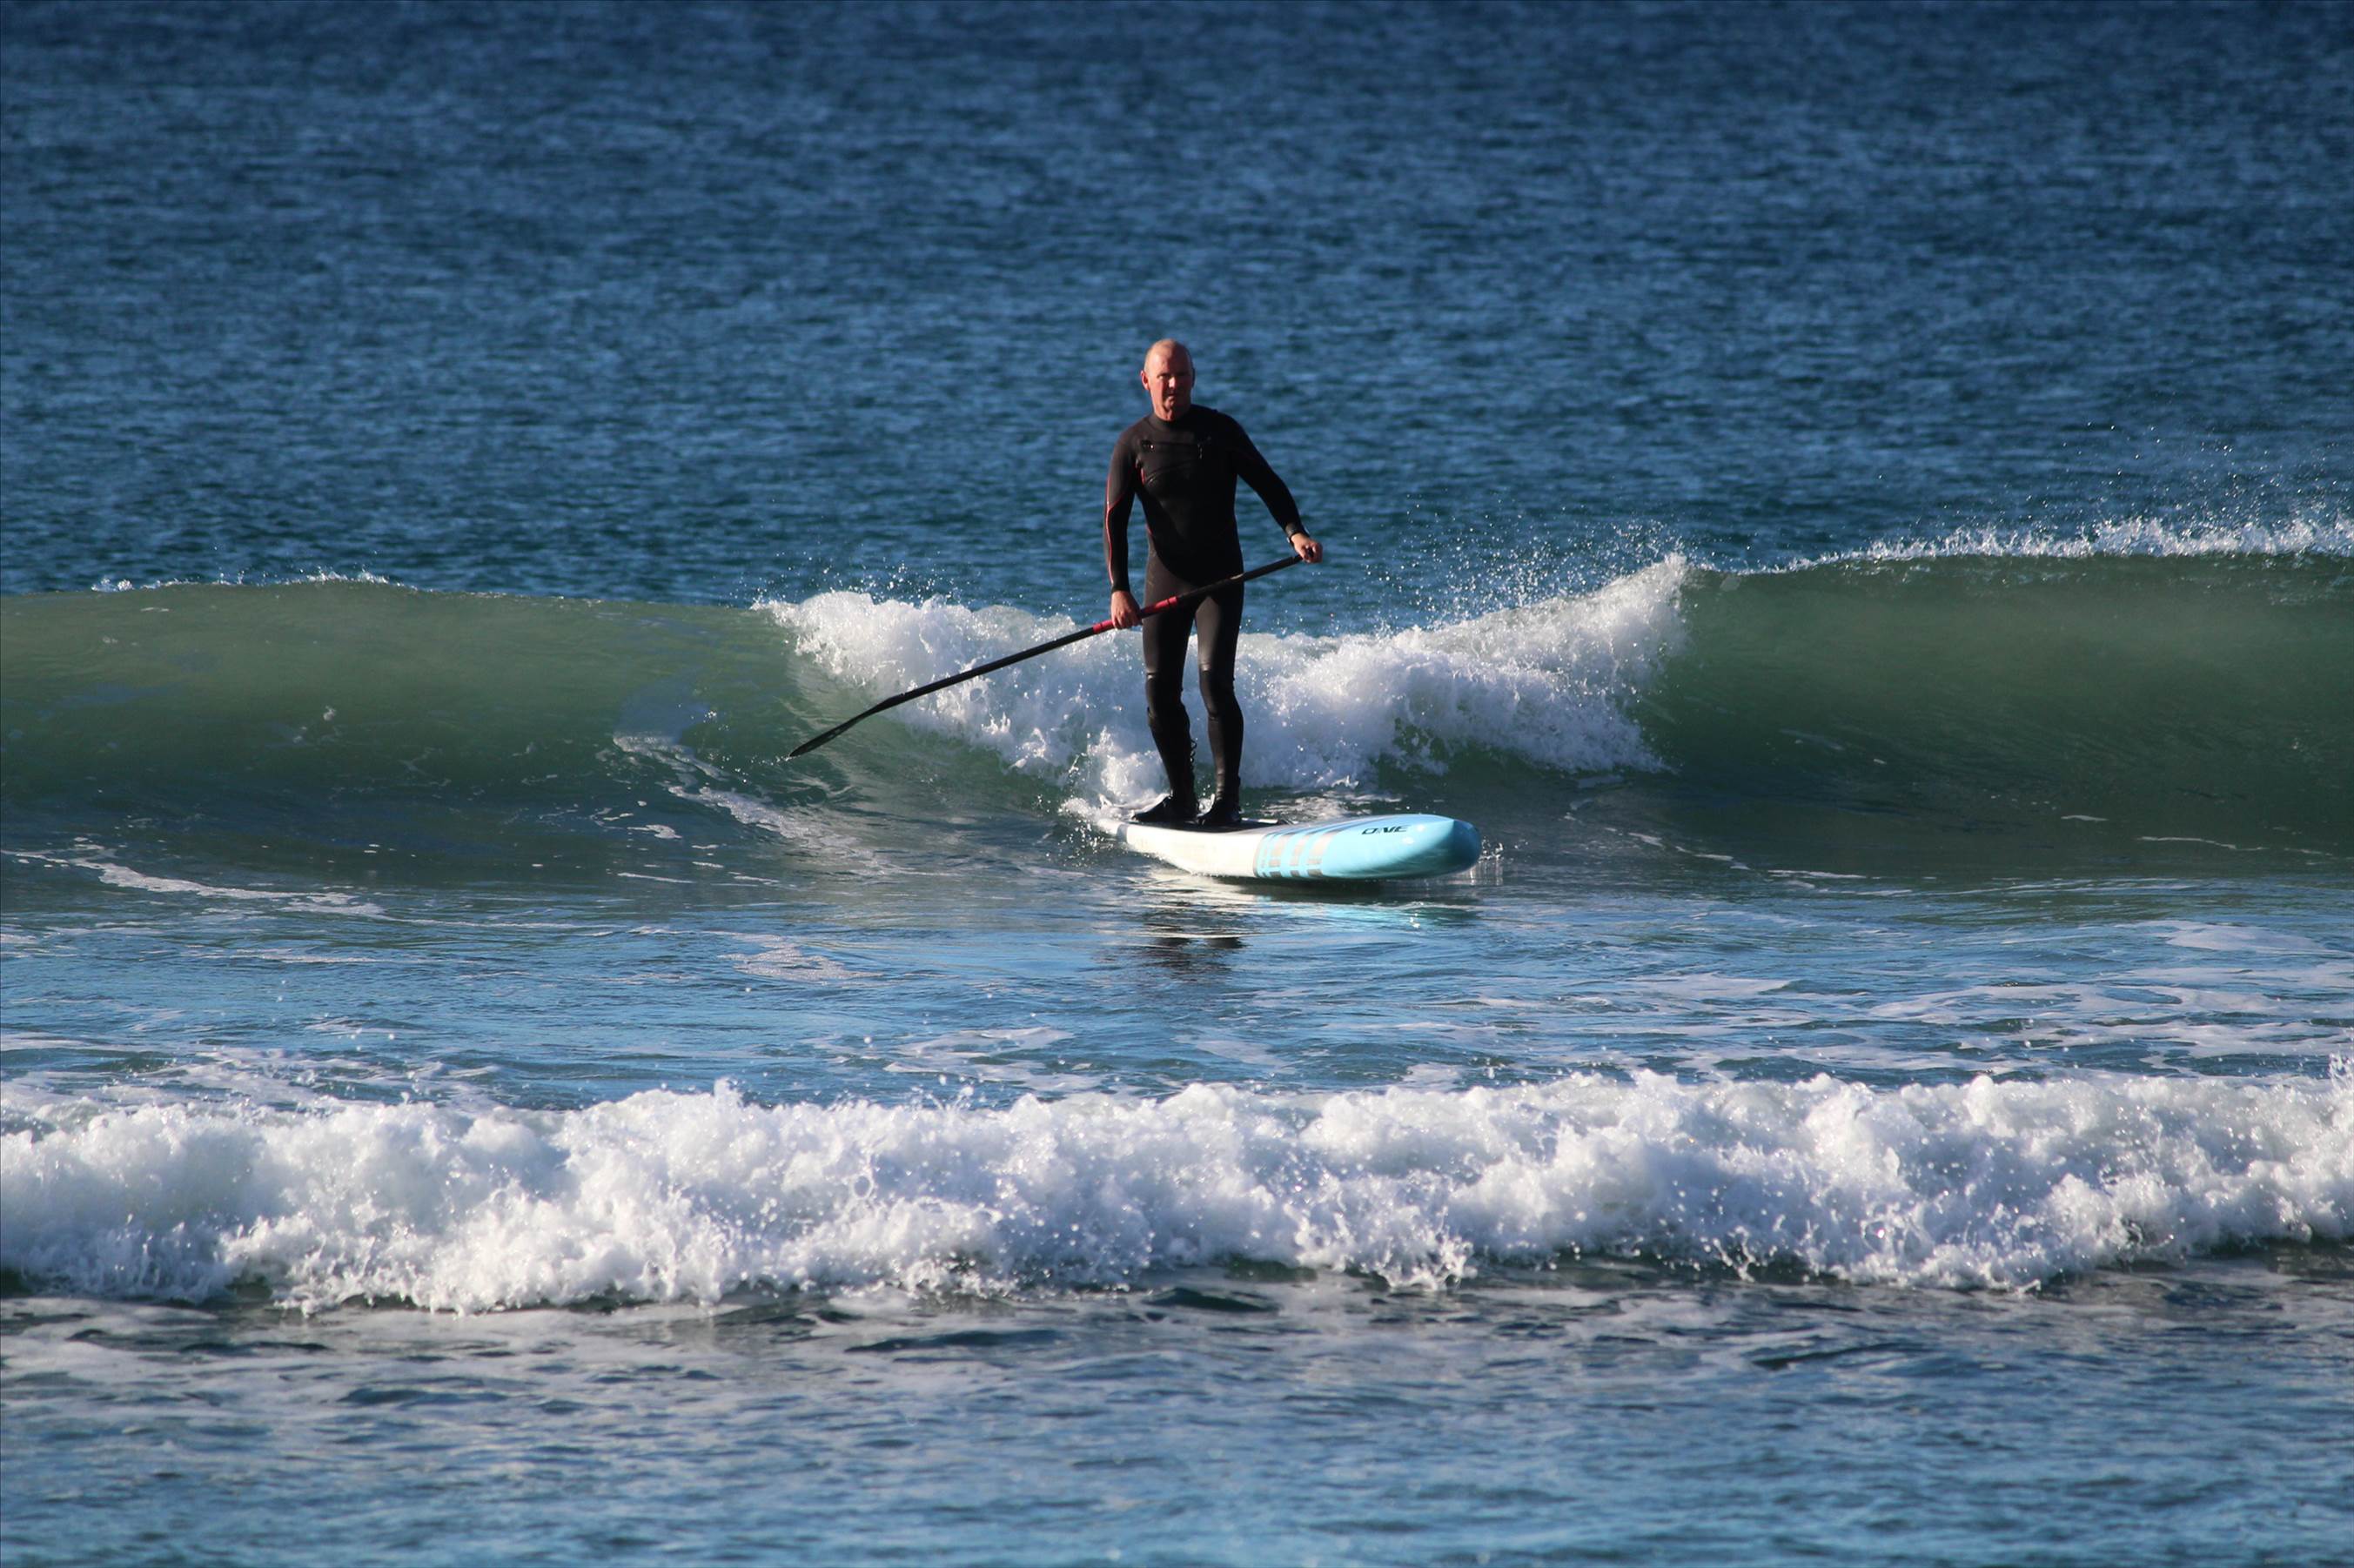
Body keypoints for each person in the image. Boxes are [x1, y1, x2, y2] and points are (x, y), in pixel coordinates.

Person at [1103, 339, 1321, 828]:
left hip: (1221, 577)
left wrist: (1295, 532)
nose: (1173, 385)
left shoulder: (1220, 431)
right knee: (1159, 691)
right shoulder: (1132, 444)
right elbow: (1114, 521)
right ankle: (1182, 798)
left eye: (1181, 375)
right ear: (1146, 381)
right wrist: (1119, 589)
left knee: (1215, 684)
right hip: (1165, 579)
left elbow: (1267, 482)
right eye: (1164, 376)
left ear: (1194, 378)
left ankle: (1226, 802)